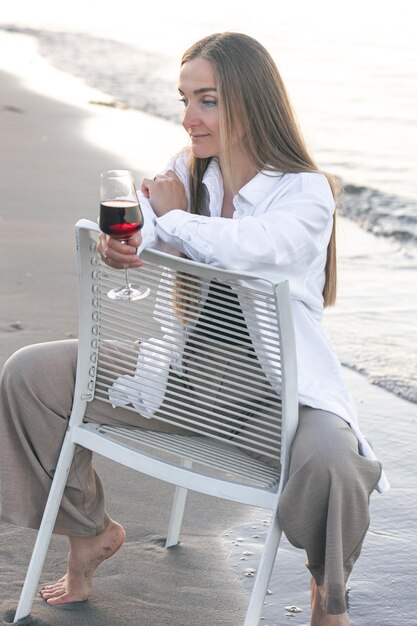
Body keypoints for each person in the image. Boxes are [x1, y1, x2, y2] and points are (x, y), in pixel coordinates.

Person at [0, 32, 387, 626]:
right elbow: (145, 226)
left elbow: (257, 249)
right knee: (31, 376)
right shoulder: (188, 171)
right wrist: (122, 246)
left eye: (205, 100)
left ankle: (326, 599)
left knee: (336, 461)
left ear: (250, 101)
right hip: (178, 380)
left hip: (274, 397)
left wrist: (172, 217)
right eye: (184, 99)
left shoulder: (306, 192)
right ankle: (90, 534)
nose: (187, 118)